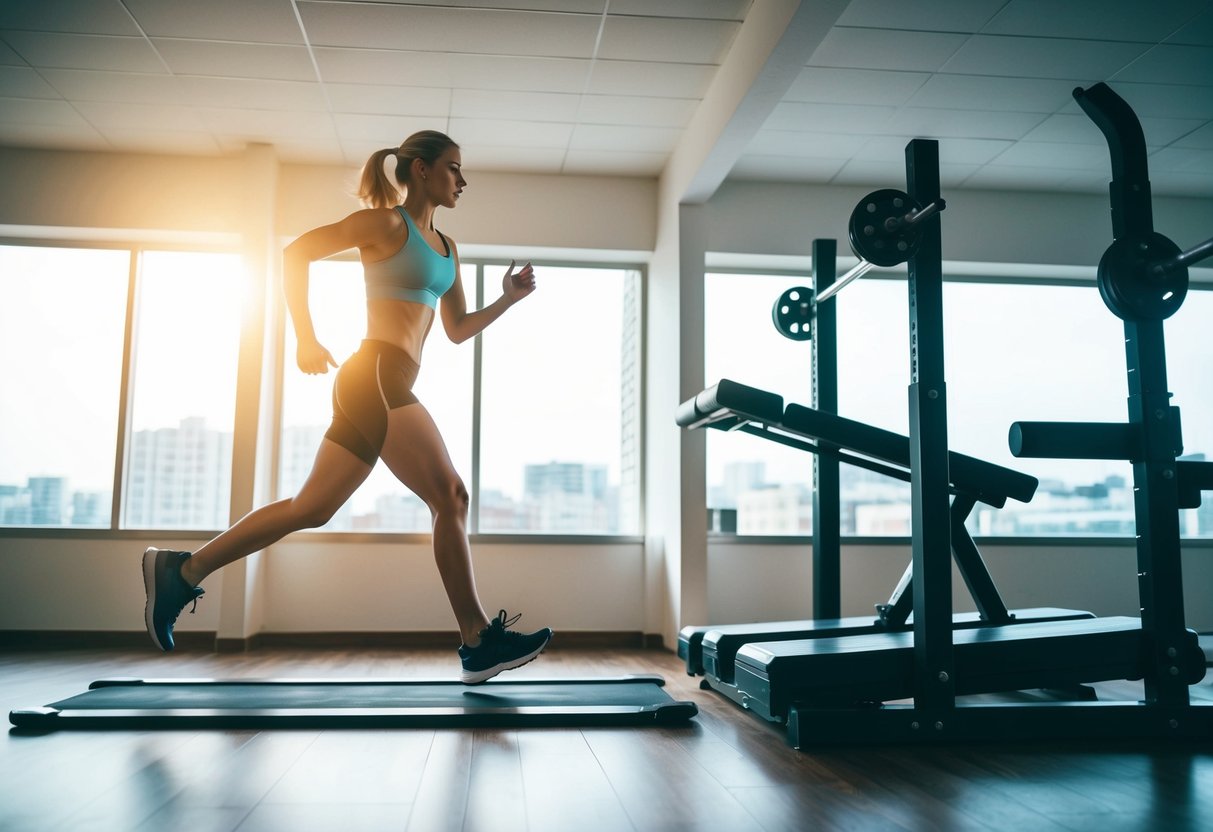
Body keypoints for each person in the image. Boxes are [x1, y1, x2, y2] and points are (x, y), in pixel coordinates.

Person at [142, 130, 552, 684]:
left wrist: (506, 299)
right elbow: (297, 253)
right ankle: (477, 638)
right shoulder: (387, 224)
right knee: (450, 494)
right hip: (375, 375)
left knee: (311, 509)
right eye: (454, 168)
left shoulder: (449, 249)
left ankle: (181, 571)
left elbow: (455, 330)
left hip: (389, 381)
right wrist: (305, 338)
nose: (462, 180)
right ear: (423, 170)